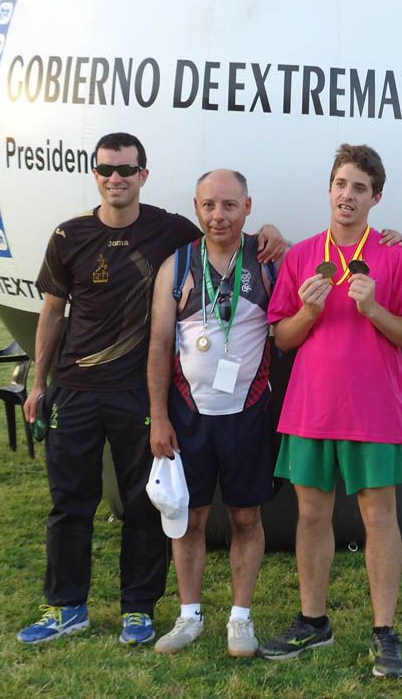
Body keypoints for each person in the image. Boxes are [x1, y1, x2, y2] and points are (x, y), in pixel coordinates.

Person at [17, 134, 284, 647]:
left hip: (140, 396)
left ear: (143, 174)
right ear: (95, 174)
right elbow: (53, 312)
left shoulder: (172, 231)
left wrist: (272, 232)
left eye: (125, 169)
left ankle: (139, 610)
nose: (114, 178)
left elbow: (234, 236)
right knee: (70, 504)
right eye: (105, 169)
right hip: (78, 389)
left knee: (148, 505)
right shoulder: (70, 236)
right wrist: (39, 381)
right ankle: (68, 607)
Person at [258, 144, 402, 679]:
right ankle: (313, 621)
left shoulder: (396, 255)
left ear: (376, 196)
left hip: (373, 409)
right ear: (328, 190)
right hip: (310, 408)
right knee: (311, 514)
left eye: (359, 187)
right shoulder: (303, 255)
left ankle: (384, 631)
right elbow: (281, 338)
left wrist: (374, 308)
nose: (346, 195)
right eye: (339, 184)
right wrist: (309, 310)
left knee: (380, 517)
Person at [146, 169, 277, 658]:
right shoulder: (177, 266)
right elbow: (159, 345)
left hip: (248, 412)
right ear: (196, 208)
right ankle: (189, 615)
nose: (218, 215)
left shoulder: (266, 262)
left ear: (247, 206)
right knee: (190, 517)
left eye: (228, 205)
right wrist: (159, 417)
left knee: (246, 517)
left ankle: (240, 619)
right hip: (187, 416)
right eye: (208, 205)